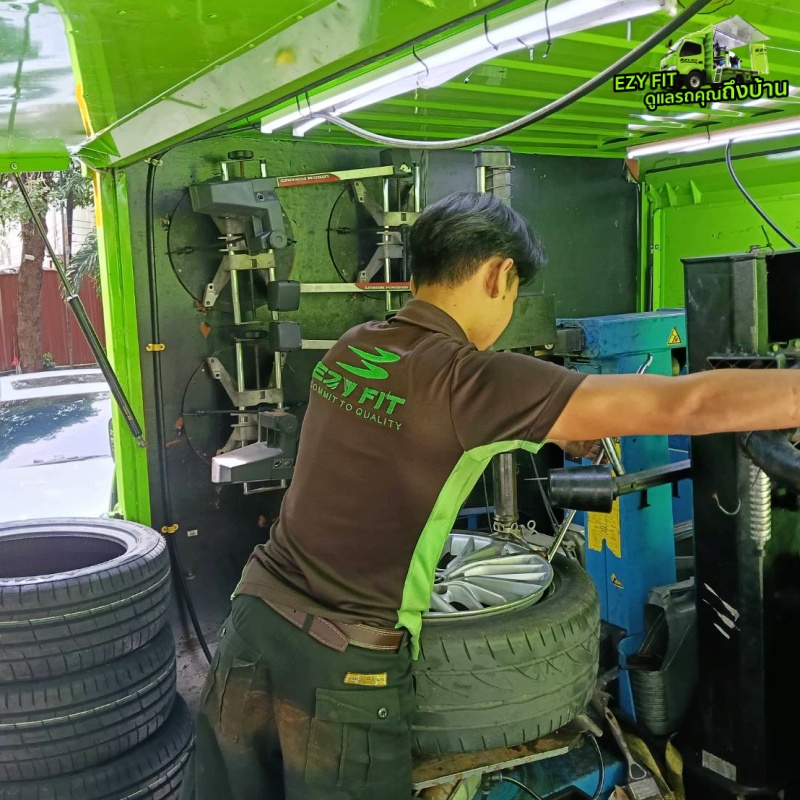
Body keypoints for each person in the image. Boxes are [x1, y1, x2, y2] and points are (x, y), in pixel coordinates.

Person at [180, 191, 800, 800]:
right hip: (343, 671)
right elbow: (689, 402)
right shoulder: (469, 378)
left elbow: (418, 427)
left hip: (251, 629)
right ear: (500, 275)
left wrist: (562, 429)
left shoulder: (354, 346)